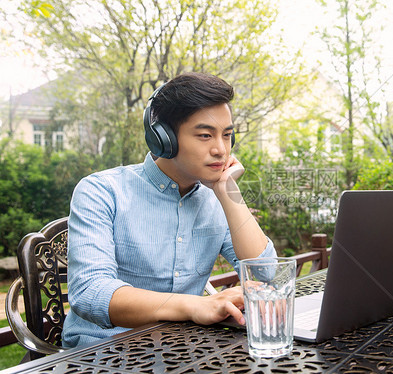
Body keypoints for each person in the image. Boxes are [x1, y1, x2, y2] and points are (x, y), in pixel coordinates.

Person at [62, 72, 276, 348]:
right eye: (205, 135)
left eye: (227, 135)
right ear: (163, 138)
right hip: (105, 350)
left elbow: (267, 276)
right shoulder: (101, 191)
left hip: (184, 347)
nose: (221, 149)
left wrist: (229, 193)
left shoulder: (216, 197)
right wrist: (195, 306)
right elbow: (91, 293)